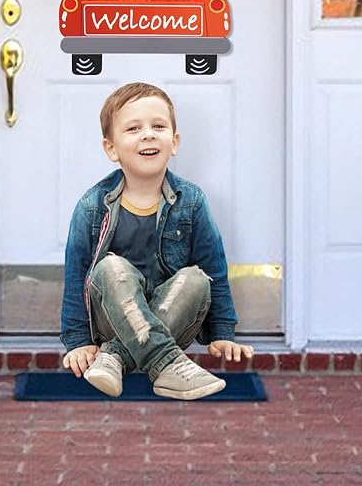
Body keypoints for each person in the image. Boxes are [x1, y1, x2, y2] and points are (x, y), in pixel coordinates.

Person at [60, 81, 254, 399]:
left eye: (158, 126)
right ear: (111, 148)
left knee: (197, 278)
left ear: (174, 142)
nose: (148, 135)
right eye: (133, 128)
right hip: (112, 319)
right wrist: (78, 342)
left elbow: (214, 268)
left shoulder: (192, 201)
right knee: (110, 268)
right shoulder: (92, 206)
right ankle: (167, 364)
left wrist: (222, 332)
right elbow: (75, 276)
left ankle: (116, 357)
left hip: (172, 316)